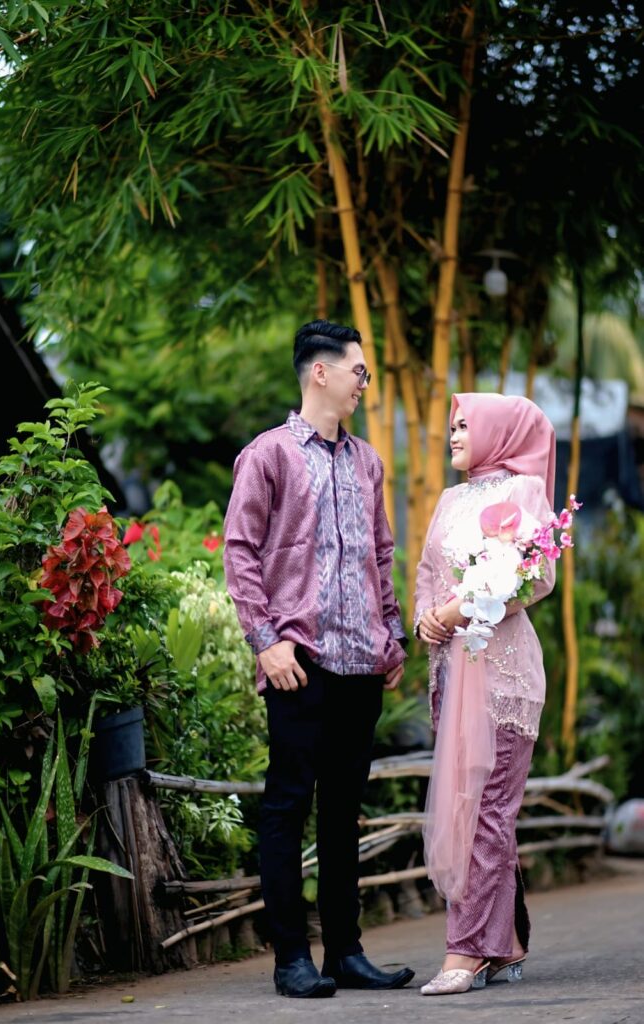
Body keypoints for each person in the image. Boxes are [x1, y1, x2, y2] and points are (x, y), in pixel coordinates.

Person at [223, 320, 415, 999]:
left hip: (362, 663)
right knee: (286, 807)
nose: (366, 383)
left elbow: (381, 553)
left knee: (342, 812)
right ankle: (290, 960)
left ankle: (345, 953)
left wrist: (391, 634)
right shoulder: (267, 456)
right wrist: (265, 640)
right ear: (321, 372)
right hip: (298, 662)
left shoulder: (368, 463)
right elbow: (239, 551)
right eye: (360, 371)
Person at [414, 392, 556, 996]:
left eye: (465, 425)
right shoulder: (451, 499)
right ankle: (507, 945)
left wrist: (463, 606)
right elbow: (427, 572)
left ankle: (465, 951)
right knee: (465, 806)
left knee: (487, 811)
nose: (454, 435)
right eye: (453, 426)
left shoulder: (525, 491)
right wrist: (427, 617)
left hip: (504, 675)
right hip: (452, 671)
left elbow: (536, 576)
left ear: (498, 431)